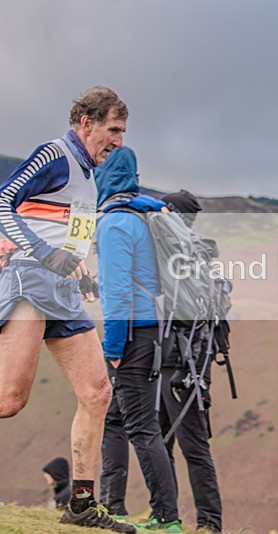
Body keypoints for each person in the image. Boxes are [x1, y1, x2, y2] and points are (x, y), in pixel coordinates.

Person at [0, 86, 135, 533]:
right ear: (87, 123)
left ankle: (80, 504)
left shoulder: (89, 172)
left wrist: (81, 271)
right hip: (31, 281)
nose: (118, 141)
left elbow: (70, 234)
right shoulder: (54, 154)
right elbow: (3, 203)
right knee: (9, 400)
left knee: (98, 391)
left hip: (64, 289)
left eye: (122, 132)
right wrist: (42, 253)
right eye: (113, 130)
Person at [95, 147, 182, 533]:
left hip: (131, 336)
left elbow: (116, 294)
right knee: (120, 418)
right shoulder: (145, 215)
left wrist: (111, 349)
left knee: (142, 429)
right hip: (155, 333)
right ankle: (112, 504)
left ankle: (167, 518)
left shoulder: (115, 224)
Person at [157, 189, 223, 533]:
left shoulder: (179, 253)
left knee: (187, 444)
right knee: (166, 441)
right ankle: (172, 517)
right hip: (190, 360)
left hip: (179, 361)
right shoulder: (202, 252)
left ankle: (205, 522)